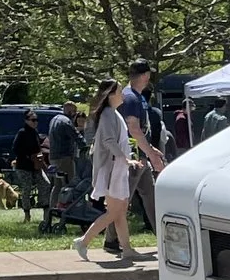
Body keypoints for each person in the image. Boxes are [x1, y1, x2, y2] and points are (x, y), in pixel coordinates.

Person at [75, 83, 143, 262]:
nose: (123, 95)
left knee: (119, 211)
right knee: (115, 211)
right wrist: (126, 159)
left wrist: (126, 159)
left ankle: (127, 249)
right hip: (112, 170)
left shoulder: (113, 113)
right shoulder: (107, 114)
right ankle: (83, 241)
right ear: (111, 94)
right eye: (120, 91)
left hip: (117, 169)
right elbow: (109, 141)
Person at [120, 61, 168, 232]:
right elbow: (133, 129)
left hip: (141, 155)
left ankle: (162, 235)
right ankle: (112, 239)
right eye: (148, 75)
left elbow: (141, 129)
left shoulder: (135, 96)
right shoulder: (131, 98)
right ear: (145, 76)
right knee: (123, 201)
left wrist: (150, 150)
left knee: (151, 196)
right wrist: (151, 154)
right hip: (134, 156)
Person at [42, 101, 81, 233]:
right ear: (71, 112)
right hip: (64, 158)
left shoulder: (54, 119)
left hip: (53, 157)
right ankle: (64, 215)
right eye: (74, 113)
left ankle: (49, 216)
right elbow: (77, 137)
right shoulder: (66, 122)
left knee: (57, 186)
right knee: (68, 186)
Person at [10, 115, 43, 221]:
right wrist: (27, 155)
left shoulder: (35, 132)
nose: (35, 122)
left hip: (36, 165)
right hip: (23, 166)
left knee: (45, 185)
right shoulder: (22, 132)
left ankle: (45, 208)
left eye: (37, 120)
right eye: (33, 120)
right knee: (27, 188)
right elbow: (15, 148)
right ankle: (27, 213)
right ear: (26, 121)